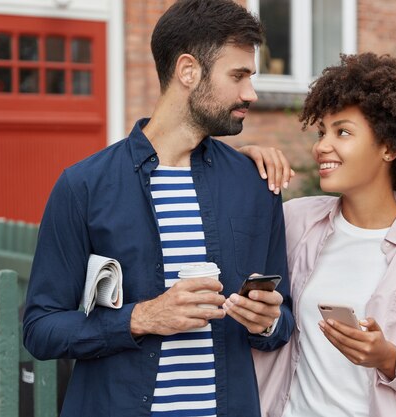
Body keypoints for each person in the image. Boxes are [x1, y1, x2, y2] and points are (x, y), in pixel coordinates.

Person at [22, 1, 294, 416]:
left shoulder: (256, 184)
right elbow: (41, 329)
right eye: (238, 76)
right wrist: (142, 317)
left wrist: (268, 322)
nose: (250, 93)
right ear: (188, 71)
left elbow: (282, 324)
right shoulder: (84, 185)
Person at [244, 53, 396, 417]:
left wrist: (389, 358)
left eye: (342, 132)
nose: (321, 146)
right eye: (322, 132)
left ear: (390, 147)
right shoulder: (295, 221)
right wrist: (242, 161)